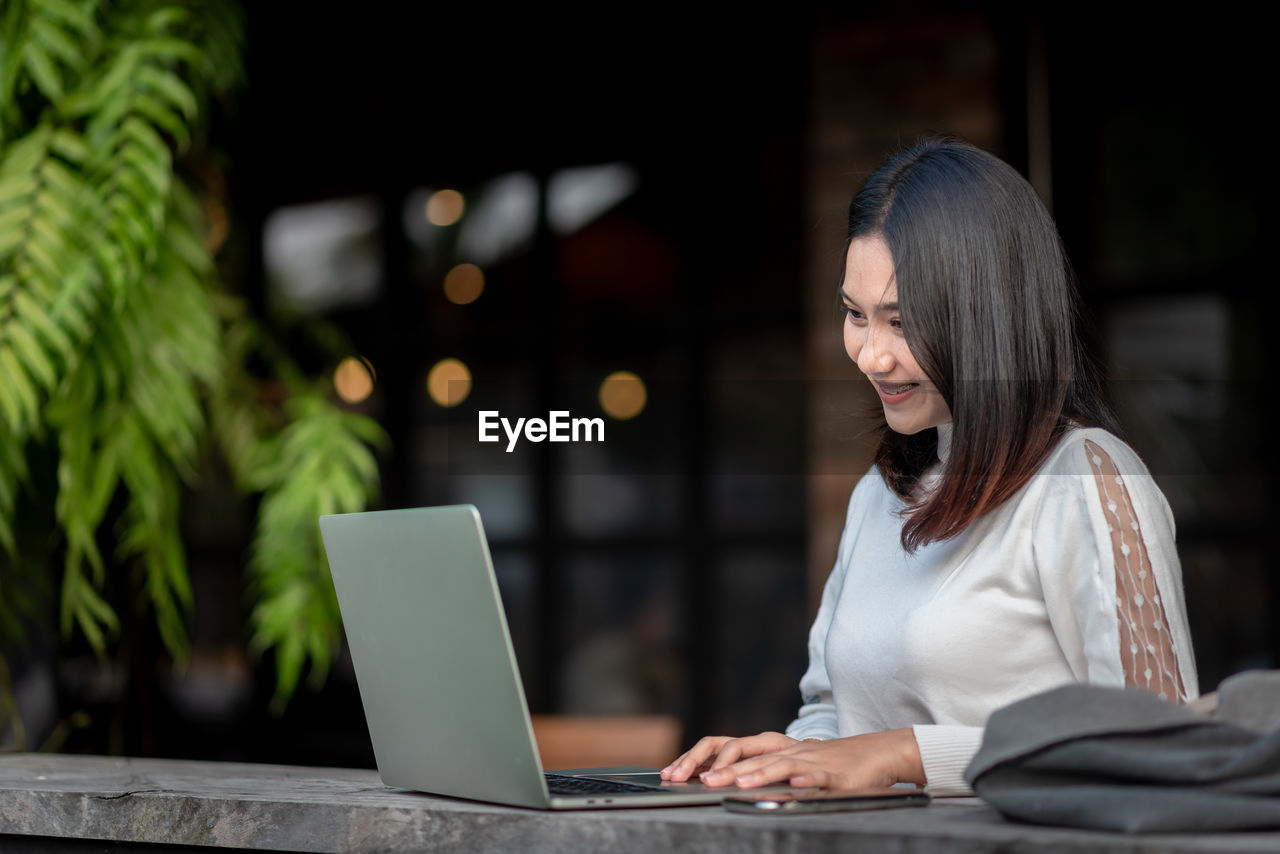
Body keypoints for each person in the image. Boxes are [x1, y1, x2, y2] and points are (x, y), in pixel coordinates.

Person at [660, 136, 1199, 796]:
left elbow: (1158, 742)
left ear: (989, 319)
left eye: (903, 322)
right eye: (855, 315)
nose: (871, 356)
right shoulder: (878, 496)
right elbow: (836, 715)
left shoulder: (1085, 479)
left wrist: (906, 755)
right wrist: (788, 755)